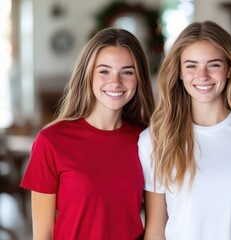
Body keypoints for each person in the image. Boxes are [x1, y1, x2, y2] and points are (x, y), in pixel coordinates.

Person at [138, 20, 231, 240]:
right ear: (179, 72)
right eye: (191, 65)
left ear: (229, 69)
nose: (203, 75)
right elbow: (155, 230)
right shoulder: (154, 140)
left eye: (214, 64)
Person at [20, 27, 155, 239]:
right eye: (104, 71)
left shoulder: (147, 141)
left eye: (127, 72)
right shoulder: (51, 141)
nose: (115, 82)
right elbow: (42, 234)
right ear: (88, 75)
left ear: (139, 79)